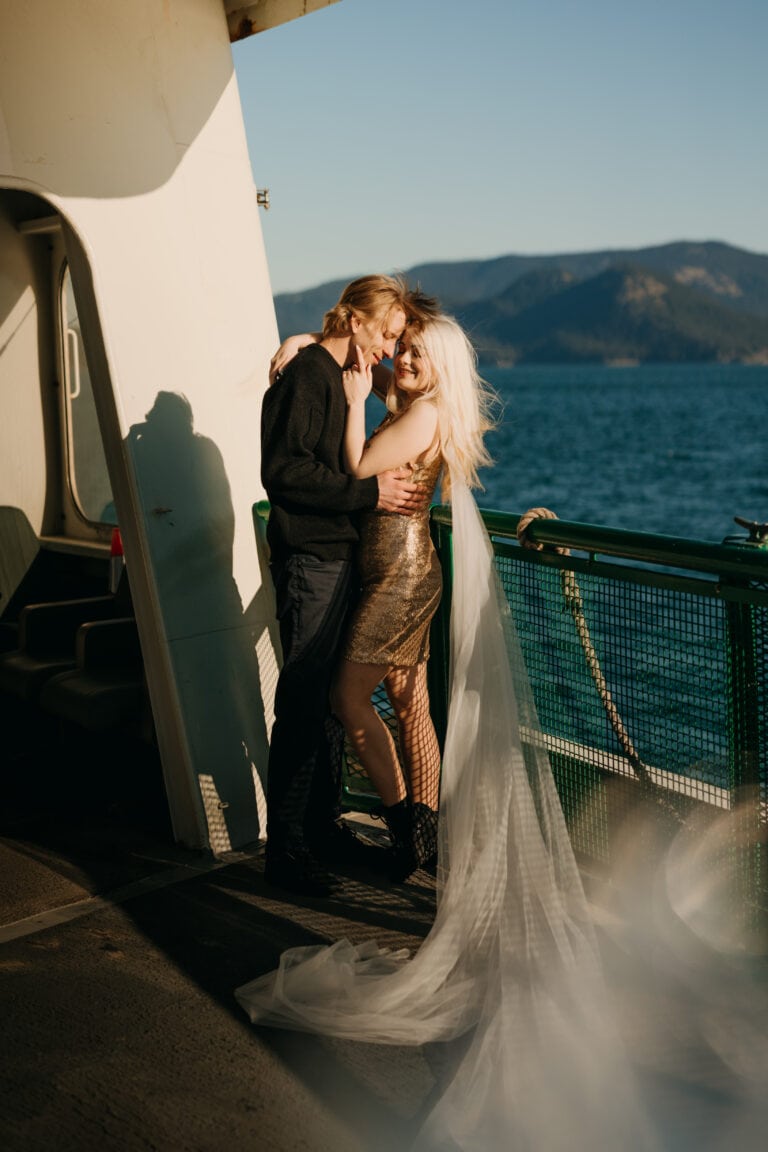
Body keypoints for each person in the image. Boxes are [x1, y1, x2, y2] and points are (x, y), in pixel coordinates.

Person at [238, 312, 653, 1150]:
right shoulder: (415, 402)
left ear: (445, 365)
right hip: (404, 568)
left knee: (352, 704)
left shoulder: (416, 414)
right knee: (408, 702)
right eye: (407, 348)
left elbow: (354, 466)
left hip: (396, 573)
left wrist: (357, 395)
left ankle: (410, 824)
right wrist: (303, 354)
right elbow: (354, 389)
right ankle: (420, 829)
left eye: (420, 352)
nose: (406, 358)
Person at [260, 274, 437, 898]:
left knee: (332, 708)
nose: (391, 350)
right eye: (388, 334)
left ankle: (321, 826)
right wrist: (369, 491)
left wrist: (309, 334)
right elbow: (283, 473)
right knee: (305, 706)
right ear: (356, 319)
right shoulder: (308, 376)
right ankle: (286, 850)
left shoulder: (345, 372)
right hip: (311, 559)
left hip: (341, 562)